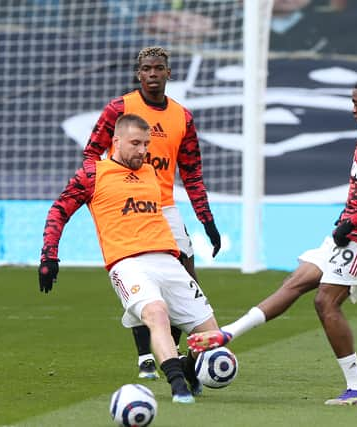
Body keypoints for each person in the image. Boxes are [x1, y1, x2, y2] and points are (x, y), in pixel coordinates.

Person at [188, 77, 357, 405]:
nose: (352, 109)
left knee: (326, 302)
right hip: (348, 232)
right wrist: (347, 223)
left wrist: (353, 221)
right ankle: (228, 333)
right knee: (295, 281)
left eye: (356, 103)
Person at [38, 114, 221, 403]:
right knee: (156, 312)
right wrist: (49, 256)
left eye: (146, 144)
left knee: (215, 341)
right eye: (136, 143)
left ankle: (187, 365)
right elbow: (59, 210)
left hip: (168, 261)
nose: (142, 150)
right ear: (116, 141)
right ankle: (177, 385)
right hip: (128, 264)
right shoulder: (93, 174)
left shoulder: (151, 173)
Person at [83, 46, 221, 379]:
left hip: (165, 207)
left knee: (185, 280)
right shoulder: (120, 108)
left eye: (159, 68)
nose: (153, 74)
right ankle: (146, 356)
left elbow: (192, 172)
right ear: (139, 73)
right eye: (147, 68)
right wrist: (101, 190)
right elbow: (91, 155)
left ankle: (181, 359)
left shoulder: (182, 117)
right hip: (126, 206)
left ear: (169, 73)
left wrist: (206, 220)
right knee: (139, 280)